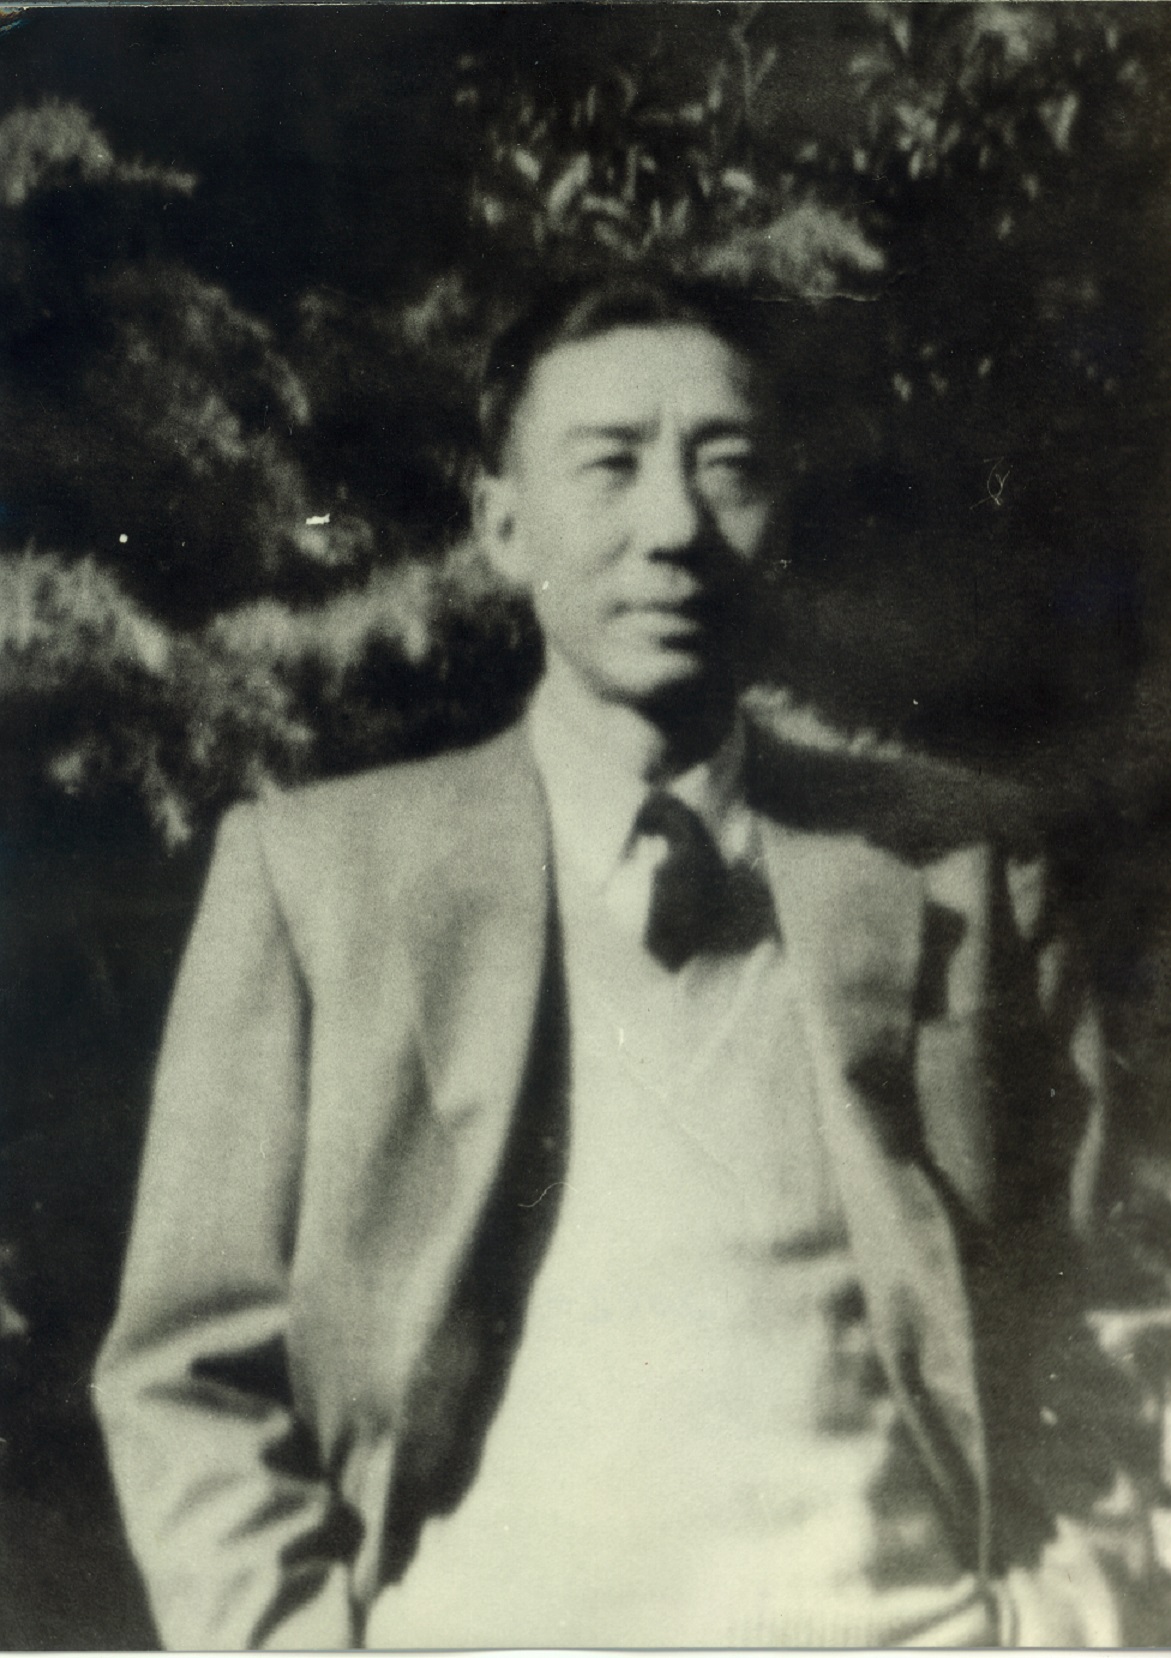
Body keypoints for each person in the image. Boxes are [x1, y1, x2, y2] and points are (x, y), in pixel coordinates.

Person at [94, 272, 1164, 1649]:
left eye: (727, 467)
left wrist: (1072, 1627)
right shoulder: (319, 880)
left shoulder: (959, 869)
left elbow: (1110, 1315)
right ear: (501, 524)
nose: (674, 526)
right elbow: (186, 1374)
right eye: (609, 465)